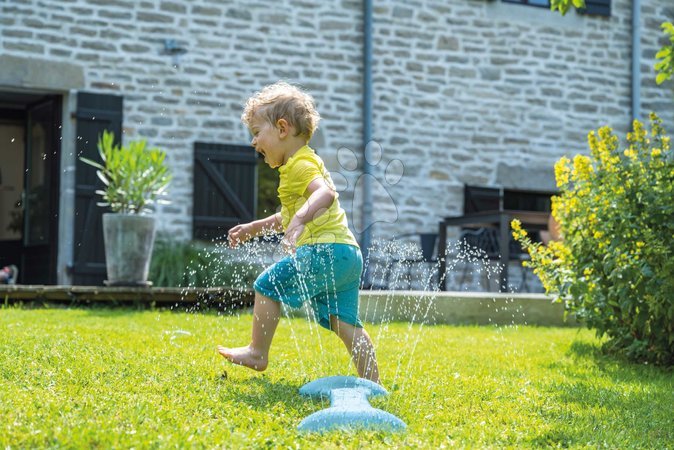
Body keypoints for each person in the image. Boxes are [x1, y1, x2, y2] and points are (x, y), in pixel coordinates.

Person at [217, 82, 380, 383]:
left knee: (267, 285)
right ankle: (374, 384)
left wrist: (301, 220)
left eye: (256, 132)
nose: (254, 142)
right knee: (346, 324)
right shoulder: (300, 165)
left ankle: (257, 352)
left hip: (324, 251)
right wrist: (255, 228)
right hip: (347, 255)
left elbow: (325, 194)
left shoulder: (300, 165)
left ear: (282, 128)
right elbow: (287, 215)